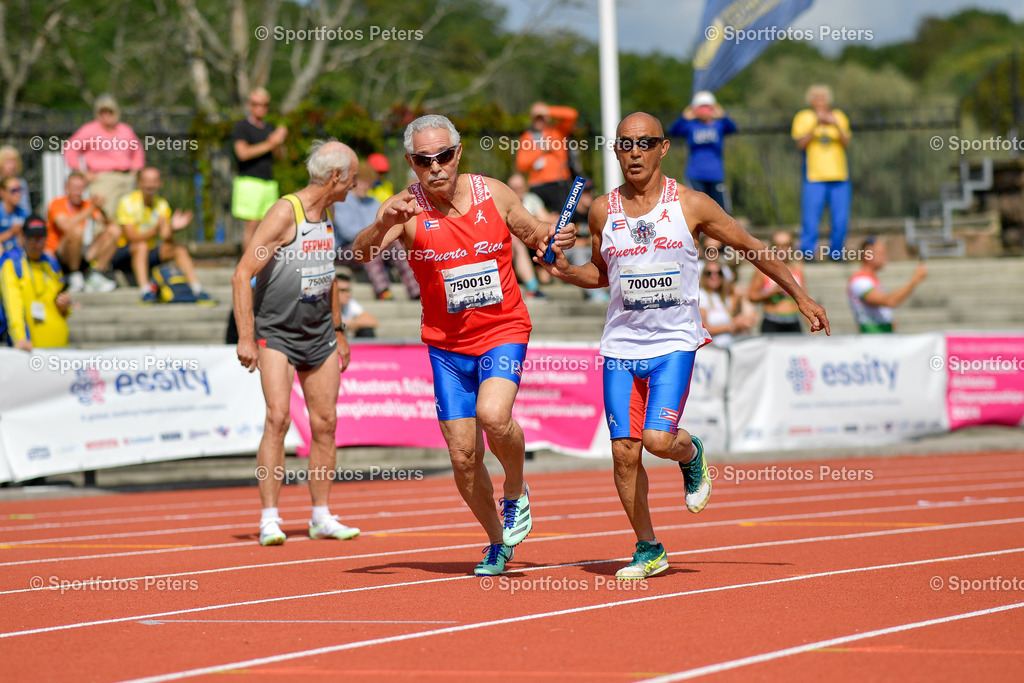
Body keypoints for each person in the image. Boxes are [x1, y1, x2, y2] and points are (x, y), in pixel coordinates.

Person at [536, 112, 830, 579]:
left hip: (673, 341)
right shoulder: (602, 211)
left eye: (645, 143)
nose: (635, 152)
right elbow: (600, 274)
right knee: (624, 452)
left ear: (663, 148)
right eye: (625, 144)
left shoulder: (692, 204)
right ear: (615, 151)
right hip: (621, 344)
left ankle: (690, 454)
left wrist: (800, 296)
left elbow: (751, 246)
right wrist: (564, 270)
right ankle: (648, 547)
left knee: (657, 441)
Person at [352, 114, 576, 576]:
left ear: (458, 153)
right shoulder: (403, 208)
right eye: (423, 160)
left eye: (443, 156)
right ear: (411, 162)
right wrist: (382, 225)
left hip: (502, 330)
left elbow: (534, 233)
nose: (435, 167)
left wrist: (556, 237)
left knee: (493, 416)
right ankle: (497, 540)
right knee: (463, 456)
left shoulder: (492, 192)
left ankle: (515, 489)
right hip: (447, 347)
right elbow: (359, 254)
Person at [233, 139, 360, 547]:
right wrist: (246, 336)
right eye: (352, 178)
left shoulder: (328, 213)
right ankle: (270, 518)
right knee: (278, 419)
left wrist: (338, 330)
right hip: (277, 333)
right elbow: (242, 274)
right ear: (336, 177)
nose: (355, 185)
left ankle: (321, 516)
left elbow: (329, 274)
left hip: (319, 333)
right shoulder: (285, 213)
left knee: (326, 423)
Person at [112, 167, 213, 304]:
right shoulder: (128, 202)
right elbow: (131, 237)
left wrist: (173, 229)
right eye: (147, 181)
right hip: (125, 253)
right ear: (139, 183)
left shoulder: (162, 205)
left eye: (154, 181)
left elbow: (166, 237)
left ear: (160, 184)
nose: (150, 185)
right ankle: (145, 291)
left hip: (149, 252)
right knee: (141, 246)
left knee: (179, 250)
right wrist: (154, 230)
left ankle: (197, 289)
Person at [332, 163, 419, 301]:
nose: (364, 186)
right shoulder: (342, 201)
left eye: (368, 183)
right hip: (346, 249)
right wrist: (372, 234)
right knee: (369, 247)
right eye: (361, 182)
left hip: (375, 245)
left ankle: (416, 290)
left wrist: (378, 235)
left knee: (397, 246)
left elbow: (383, 227)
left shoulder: (374, 202)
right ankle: (383, 291)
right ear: (353, 182)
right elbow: (347, 232)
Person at [63, 94, 145, 224]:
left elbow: (137, 150)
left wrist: (135, 171)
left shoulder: (125, 130)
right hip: (103, 179)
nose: (106, 115)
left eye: (109, 111)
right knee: (105, 220)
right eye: (103, 112)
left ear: (116, 112)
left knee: (127, 220)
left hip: (126, 179)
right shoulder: (90, 130)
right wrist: (82, 173)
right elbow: (70, 148)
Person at [792, 85, 852, 261]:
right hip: (814, 177)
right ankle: (808, 253)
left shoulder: (838, 116)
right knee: (810, 219)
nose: (820, 102)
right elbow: (800, 143)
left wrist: (835, 124)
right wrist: (816, 125)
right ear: (811, 101)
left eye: (823, 98)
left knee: (840, 219)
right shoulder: (804, 117)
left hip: (839, 176)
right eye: (816, 98)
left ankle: (836, 253)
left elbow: (846, 142)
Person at [0, 215, 72, 350]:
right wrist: (19, 338)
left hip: (61, 346)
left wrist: (65, 305)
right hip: (31, 350)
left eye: (42, 238)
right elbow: (13, 305)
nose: (38, 244)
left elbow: (63, 307)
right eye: (33, 239)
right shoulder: (13, 263)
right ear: (23, 238)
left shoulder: (51, 263)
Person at [232, 87, 288, 249]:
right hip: (249, 182)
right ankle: (248, 263)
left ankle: (262, 261)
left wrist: (279, 142)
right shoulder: (241, 127)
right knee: (252, 225)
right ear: (249, 105)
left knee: (268, 227)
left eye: (265, 104)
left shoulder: (270, 128)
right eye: (256, 104)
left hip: (268, 183)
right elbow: (242, 153)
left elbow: (281, 157)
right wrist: (270, 144)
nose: (261, 108)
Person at [46, 171, 119, 293]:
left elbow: (108, 224)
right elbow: (65, 226)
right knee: (76, 230)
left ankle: (96, 274)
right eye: (74, 188)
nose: (78, 192)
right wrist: (92, 208)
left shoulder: (86, 204)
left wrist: (101, 207)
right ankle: (74, 275)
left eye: (81, 188)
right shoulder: (57, 203)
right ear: (66, 188)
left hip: (81, 253)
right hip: (59, 253)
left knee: (114, 230)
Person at [668, 91, 736, 210]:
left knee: (721, 210)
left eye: (707, 107)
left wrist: (723, 115)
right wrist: (683, 117)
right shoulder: (690, 126)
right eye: (701, 107)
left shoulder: (719, 125)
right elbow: (673, 131)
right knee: (697, 210)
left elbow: (733, 128)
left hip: (716, 175)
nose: (704, 111)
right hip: (695, 174)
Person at [848, 237, 927, 333]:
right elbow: (890, 301)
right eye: (881, 254)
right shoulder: (859, 281)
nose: (886, 258)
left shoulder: (870, 280)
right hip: (873, 337)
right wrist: (915, 280)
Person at [515, 102, 580, 213]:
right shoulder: (526, 137)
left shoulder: (557, 131)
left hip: (558, 183)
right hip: (536, 185)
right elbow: (521, 165)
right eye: (536, 117)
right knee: (538, 219)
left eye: (542, 117)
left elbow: (572, 115)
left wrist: (548, 110)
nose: (539, 120)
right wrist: (540, 151)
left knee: (563, 218)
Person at [748, 230, 805, 334]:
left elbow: (804, 295)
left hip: (794, 321)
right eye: (778, 245)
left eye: (786, 245)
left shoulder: (797, 267)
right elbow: (752, 296)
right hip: (772, 321)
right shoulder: (763, 269)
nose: (782, 249)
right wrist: (772, 292)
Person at [506, 173, 551, 299]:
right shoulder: (504, 202)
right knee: (516, 242)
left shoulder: (531, 200)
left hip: (531, 243)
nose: (518, 191)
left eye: (520, 188)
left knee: (546, 278)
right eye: (514, 188)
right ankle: (532, 288)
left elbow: (545, 220)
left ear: (525, 187)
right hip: (513, 244)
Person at [698, 264, 754, 348]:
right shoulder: (701, 296)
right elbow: (703, 329)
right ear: (703, 276)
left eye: (719, 273)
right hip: (711, 349)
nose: (714, 276)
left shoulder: (724, 298)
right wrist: (732, 326)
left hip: (727, 345)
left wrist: (741, 323)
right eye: (709, 273)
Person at [335, 269, 378, 337]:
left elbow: (373, 321)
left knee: (367, 331)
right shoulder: (325, 306)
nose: (347, 294)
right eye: (342, 290)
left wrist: (349, 324)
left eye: (348, 290)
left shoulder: (350, 303)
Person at [0, 176, 28, 254]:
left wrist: (21, 234)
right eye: (14, 190)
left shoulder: (23, 213)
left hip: (18, 254)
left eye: (19, 190)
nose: (18, 194)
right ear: (2, 192)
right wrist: (11, 232)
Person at [0, 146, 31, 214]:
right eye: (8, 161)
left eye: (14, 162)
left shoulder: (21, 183)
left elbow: (26, 207)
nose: (12, 166)